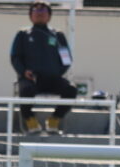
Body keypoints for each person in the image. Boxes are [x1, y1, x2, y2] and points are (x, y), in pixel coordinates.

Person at [10, 1, 78, 134]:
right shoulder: (23, 34)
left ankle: (54, 119)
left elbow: (66, 59)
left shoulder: (58, 35)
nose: (39, 14)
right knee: (25, 90)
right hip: (31, 79)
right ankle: (30, 121)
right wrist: (23, 71)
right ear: (30, 15)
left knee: (71, 89)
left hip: (53, 79)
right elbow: (15, 57)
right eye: (36, 11)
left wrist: (57, 72)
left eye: (43, 11)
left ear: (49, 15)